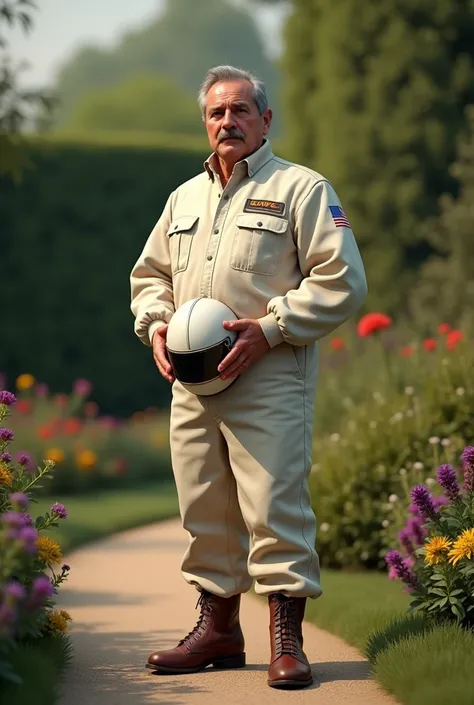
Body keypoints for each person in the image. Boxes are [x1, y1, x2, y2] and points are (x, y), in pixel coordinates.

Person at [130, 65, 368, 689]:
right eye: (216, 113)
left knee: (274, 506)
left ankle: (286, 641)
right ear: (206, 123)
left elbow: (341, 280)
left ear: (266, 120)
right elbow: (150, 275)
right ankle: (218, 632)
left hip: (268, 373)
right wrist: (155, 323)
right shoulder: (182, 198)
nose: (227, 122)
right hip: (192, 384)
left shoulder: (303, 189)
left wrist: (272, 327)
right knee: (203, 508)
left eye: (240, 111)